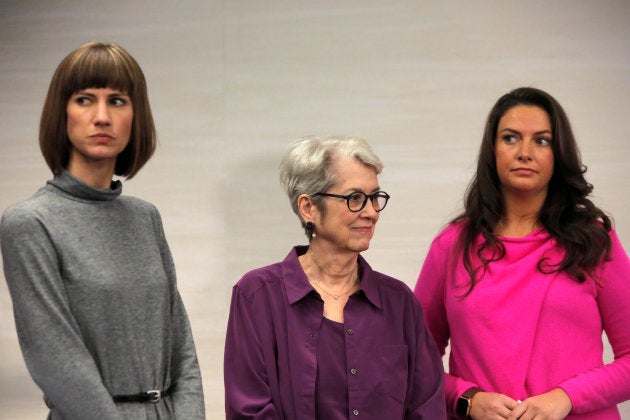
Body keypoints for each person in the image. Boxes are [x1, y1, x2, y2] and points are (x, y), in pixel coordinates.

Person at [0, 42, 204, 419]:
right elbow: (54, 358)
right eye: (84, 100)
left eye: (117, 101)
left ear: (135, 115)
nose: (101, 117)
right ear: (61, 113)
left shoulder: (146, 217)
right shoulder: (30, 222)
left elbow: (182, 348)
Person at [414, 87, 630, 419]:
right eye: (511, 138)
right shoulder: (451, 246)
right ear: (492, 149)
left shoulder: (594, 241)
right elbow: (412, 362)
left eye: (541, 140)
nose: (525, 152)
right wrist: (467, 398)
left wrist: (565, 398)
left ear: (558, 153)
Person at [224, 136, 446, 419]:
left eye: (375, 197)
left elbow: (427, 407)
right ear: (309, 208)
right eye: (354, 198)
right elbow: (249, 410)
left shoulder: (400, 302)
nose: (371, 212)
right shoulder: (256, 296)